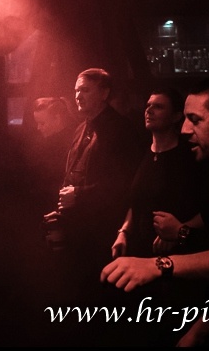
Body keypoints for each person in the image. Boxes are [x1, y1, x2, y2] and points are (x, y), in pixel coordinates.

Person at [100, 78, 209, 348]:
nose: (184, 129)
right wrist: (202, 328)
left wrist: (159, 265)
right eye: (185, 119)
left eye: (194, 120)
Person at [109, 86, 209, 346]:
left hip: (178, 259)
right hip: (141, 253)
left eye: (158, 106)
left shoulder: (190, 156)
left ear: (176, 116)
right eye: (148, 105)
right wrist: (123, 232)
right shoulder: (143, 152)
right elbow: (136, 202)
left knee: (170, 330)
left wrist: (179, 230)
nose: (149, 110)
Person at [47, 68, 142, 306]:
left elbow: (124, 183)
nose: (78, 96)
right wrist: (61, 210)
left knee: (100, 296)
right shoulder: (82, 127)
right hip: (80, 228)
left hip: (103, 231)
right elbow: (72, 173)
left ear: (104, 93)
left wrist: (79, 195)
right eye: (76, 90)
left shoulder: (121, 130)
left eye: (85, 90)